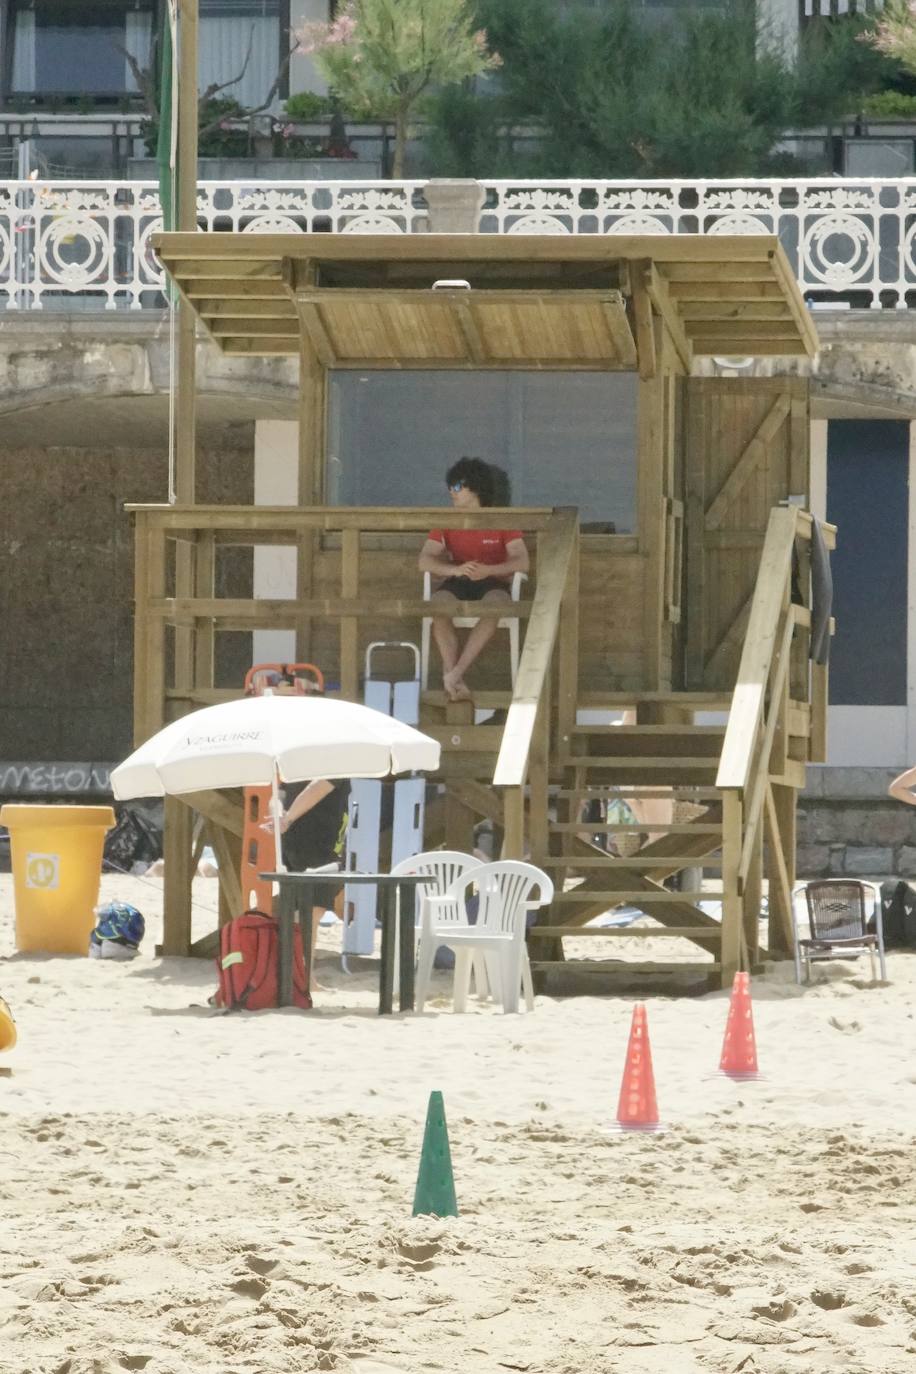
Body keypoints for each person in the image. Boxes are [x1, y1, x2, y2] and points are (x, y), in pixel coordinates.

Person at [418, 457, 529, 701]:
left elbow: (522, 561)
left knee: (497, 605)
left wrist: (489, 570)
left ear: (475, 488)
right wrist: (454, 571)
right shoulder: (446, 521)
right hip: (459, 578)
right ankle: (453, 675)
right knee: (438, 605)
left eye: (457, 486)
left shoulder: (502, 520)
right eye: (450, 487)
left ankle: (456, 672)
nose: (451, 492)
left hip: (493, 580)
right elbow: (424, 560)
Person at [272, 777, 350, 986]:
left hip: (296, 840)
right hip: (317, 843)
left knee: (301, 911)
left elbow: (278, 792)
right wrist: (285, 818)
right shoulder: (333, 757)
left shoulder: (302, 756)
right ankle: (302, 978)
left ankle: (300, 976)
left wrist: (282, 815)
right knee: (311, 911)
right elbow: (317, 787)